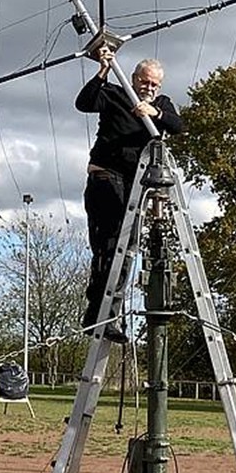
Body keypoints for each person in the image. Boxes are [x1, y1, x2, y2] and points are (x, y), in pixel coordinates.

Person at [75, 46, 182, 340]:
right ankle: (101, 316)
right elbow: (84, 102)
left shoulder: (162, 103)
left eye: (154, 83)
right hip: (107, 176)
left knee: (127, 248)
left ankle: (107, 315)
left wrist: (154, 112)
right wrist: (104, 70)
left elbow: (177, 125)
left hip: (135, 185)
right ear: (134, 78)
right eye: (144, 81)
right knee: (110, 245)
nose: (149, 87)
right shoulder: (114, 94)